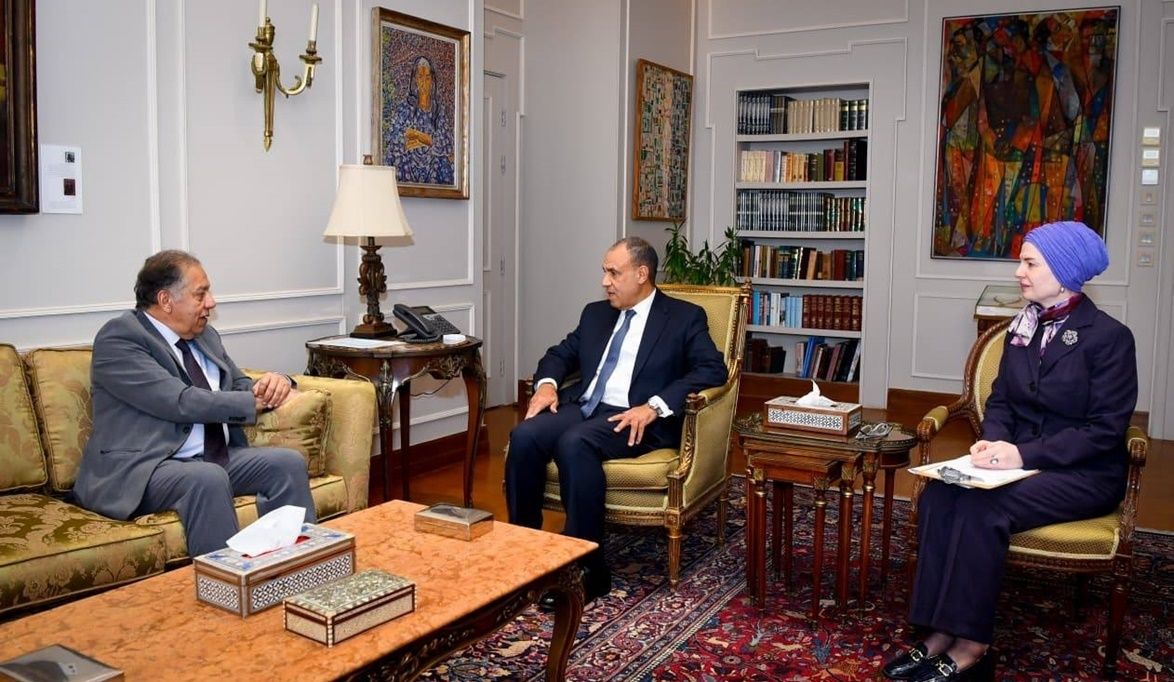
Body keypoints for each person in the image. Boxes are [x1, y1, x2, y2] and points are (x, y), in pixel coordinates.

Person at [883, 221, 1137, 681]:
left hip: (1084, 474)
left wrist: (1021, 455)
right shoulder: (1023, 328)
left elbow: (1103, 431)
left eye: (1030, 263)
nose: (1019, 272)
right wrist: (992, 441)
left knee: (984, 509)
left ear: (1063, 271)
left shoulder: (1110, 338)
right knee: (940, 495)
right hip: (1018, 463)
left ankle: (972, 646)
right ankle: (936, 632)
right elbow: (1000, 400)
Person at [505, 236, 728, 605]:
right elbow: (560, 354)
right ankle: (526, 552)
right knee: (525, 435)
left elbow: (712, 368)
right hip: (587, 406)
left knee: (575, 443)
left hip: (636, 417)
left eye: (613, 273)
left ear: (642, 274)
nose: (604, 282)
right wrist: (546, 385)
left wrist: (655, 406)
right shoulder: (596, 314)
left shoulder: (683, 317)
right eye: (604, 272)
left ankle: (587, 571)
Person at [72, 250, 316, 557]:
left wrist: (276, 384)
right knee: (207, 478)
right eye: (200, 295)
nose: (211, 303)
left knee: (286, 464)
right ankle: (225, 581)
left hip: (212, 457)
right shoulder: (121, 339)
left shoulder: (204, 336)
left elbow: (238, 385)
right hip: (146, 467)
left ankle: (297, 564)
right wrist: (248, 402)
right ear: (165, 300)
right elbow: (178, 401)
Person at [386, 55, 454, 186]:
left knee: (443, 162)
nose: (424, 83)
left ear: (432, 81)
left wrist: (416, 135)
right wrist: (428, 141)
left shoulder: (438, 111)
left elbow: (447, 144)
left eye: (427, 78)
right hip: (407, 166)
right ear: (415, 80)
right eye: (420, 77)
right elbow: (394, 140)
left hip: (433, 168)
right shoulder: (405, 108)